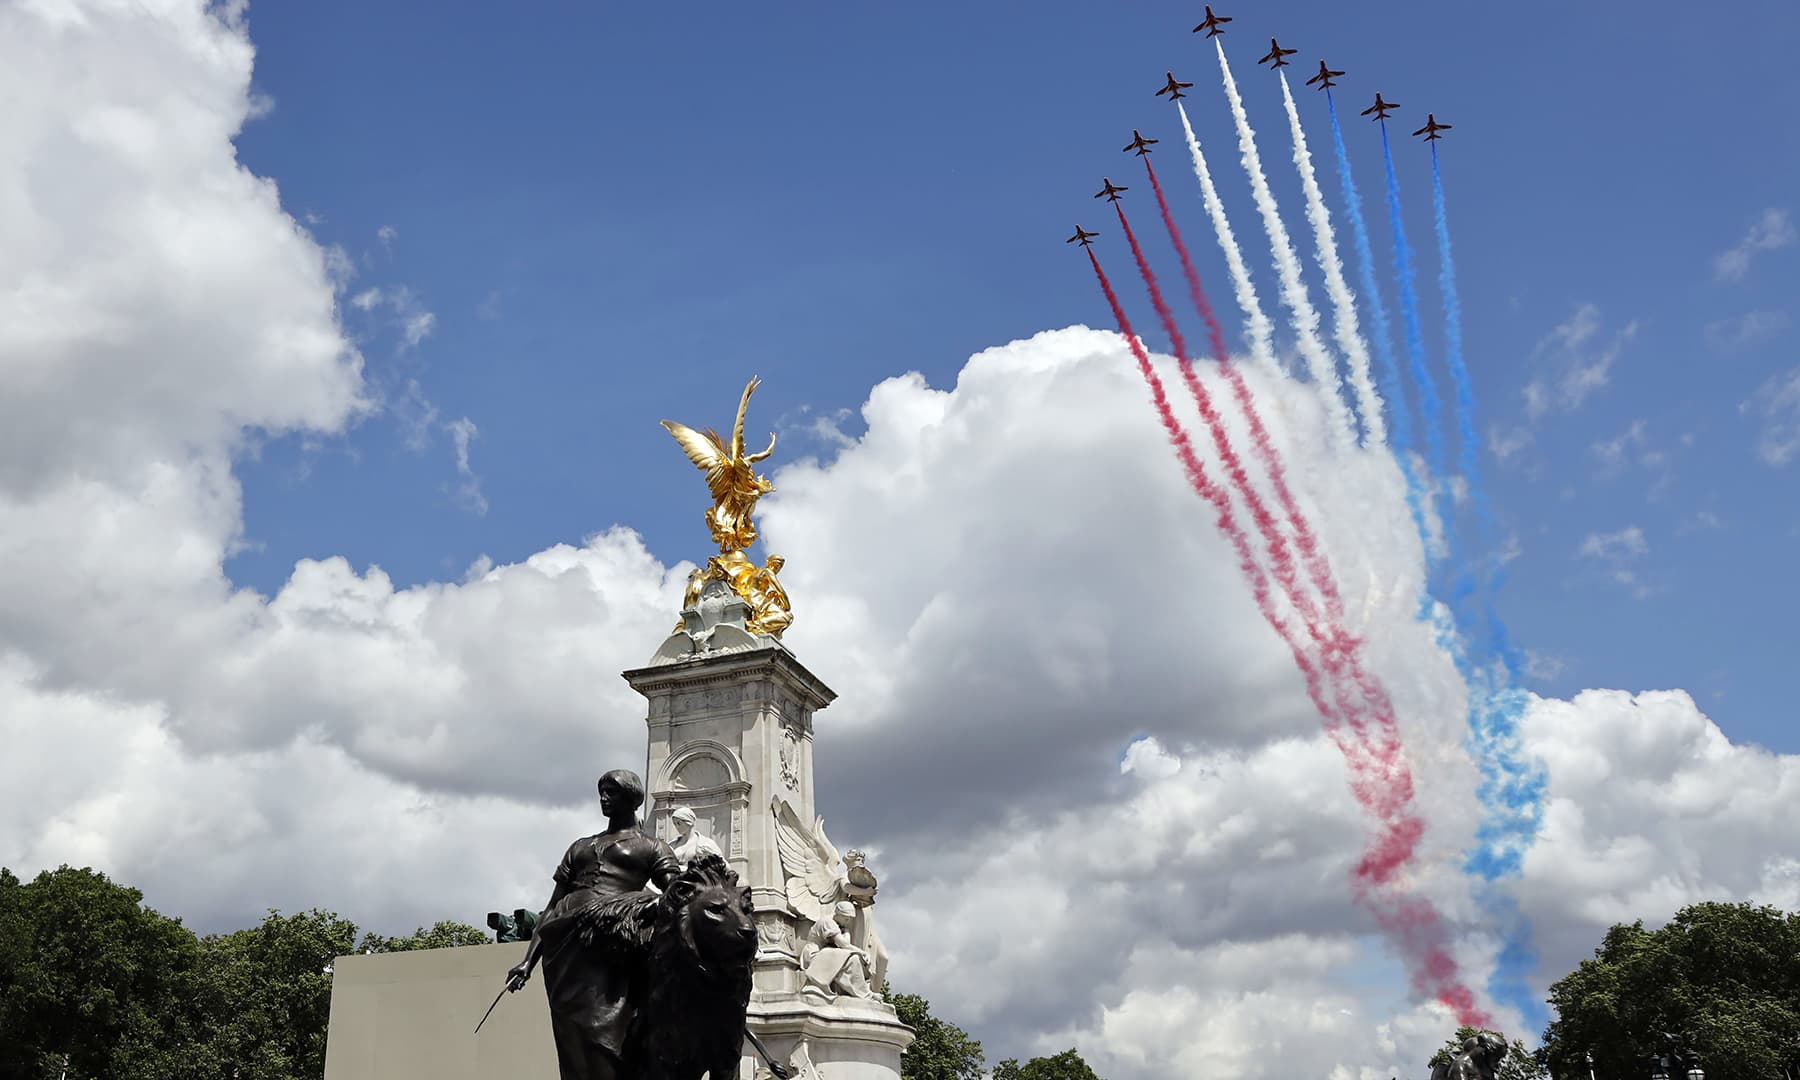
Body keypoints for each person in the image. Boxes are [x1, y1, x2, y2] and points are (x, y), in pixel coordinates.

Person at [506, 770, 681, 1080]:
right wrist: (526, 962)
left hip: (611, 947)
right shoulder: (580, 846)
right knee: (570, 1032)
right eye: (601, 791)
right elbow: (551, 908)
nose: (603, 798)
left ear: (631, 798)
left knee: (606, 1029)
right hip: (565, 952)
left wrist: (638, 907)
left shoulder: (652, 847)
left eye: (611, 792)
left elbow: (675, 897)